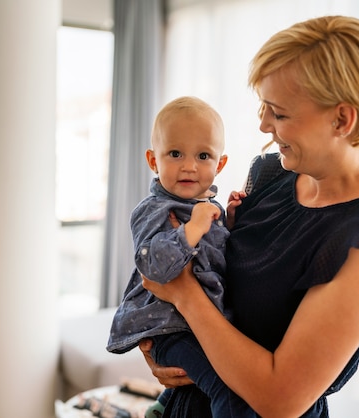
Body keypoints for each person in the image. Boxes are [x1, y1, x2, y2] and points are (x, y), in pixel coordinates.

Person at [138, 15, 359, 418]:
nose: (263, 124)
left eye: (279, 113)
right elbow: (213, 273)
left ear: (342, 119)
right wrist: (160, 345)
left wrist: (183, 294)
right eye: (263, 107)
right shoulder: (269, 174)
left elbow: (279, 400)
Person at [106, 96, 255, 417]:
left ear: (220, 164)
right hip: (171, 328)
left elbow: (216, 258)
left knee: (217, 379)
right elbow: (152, 267)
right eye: (175, 154)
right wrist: (193, 229)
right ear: (152, 160)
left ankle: (163, 406)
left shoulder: (207, 209)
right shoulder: (154, 210)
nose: (189, 166)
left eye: (203, 155)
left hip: (204, 323)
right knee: (228, 386)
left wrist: (228, 221)